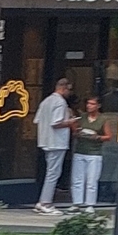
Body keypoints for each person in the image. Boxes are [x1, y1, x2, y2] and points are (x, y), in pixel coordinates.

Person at [34, 76, 75, 213]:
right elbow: (56, 123)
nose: (70, 93)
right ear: (64, 88)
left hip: (45, 140)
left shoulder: (46, 101)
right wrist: (70, 121)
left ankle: (43, 201)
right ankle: (45, 203)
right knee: (53, 173)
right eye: (69, 90)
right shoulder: (60, 102)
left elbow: (38, 120)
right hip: (56, 142)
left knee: (50, 172)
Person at [69, 96, 112, 209]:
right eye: (88, 103)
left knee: (91, 180)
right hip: (80, 150)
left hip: (95, 153)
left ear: (98, 106)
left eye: (92, 104)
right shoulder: (82, 117)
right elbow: (75, 130)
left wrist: (97, 137)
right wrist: (76, 131)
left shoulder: (103, 119)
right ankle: (76, 203)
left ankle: (90, 204)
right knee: (77, 179)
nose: (89, 106)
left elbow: (108, 136)